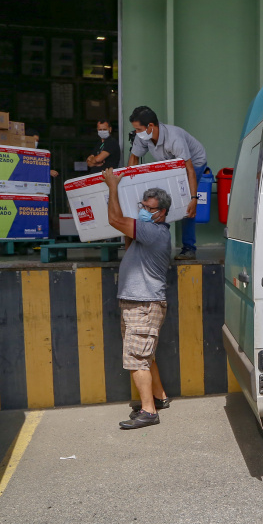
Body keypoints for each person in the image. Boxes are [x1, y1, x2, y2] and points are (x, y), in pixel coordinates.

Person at [102, 167, 173, 429]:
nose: (144, 211)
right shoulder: (145, 233)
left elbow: (114, 219)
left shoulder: (154, 232)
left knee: (137, 358)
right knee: (145, 355)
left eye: (150, 208)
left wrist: (113, 186)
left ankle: (149, 411)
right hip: (138, 303)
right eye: (142, 206)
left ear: (162, 212)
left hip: (144, 304)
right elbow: (128, 241)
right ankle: (159, 397)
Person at [127, 105, 206, 260]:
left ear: (150, 126)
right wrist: (130, 185)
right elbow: (134, 158)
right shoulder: (143, 136)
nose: (136, 133)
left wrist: (193, 198)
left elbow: (189, 169)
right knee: (159, 201)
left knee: (186, 204)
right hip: (169, 164)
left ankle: (189, 248)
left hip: (194, 163)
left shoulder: (174, 138)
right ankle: (157, 246)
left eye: (138, 129)